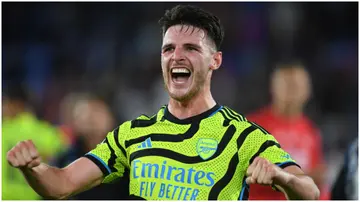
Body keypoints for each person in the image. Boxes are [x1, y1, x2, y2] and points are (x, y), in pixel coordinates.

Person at [6, 5, 320, 200]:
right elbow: (61, 184)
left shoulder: (244, 136)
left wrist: (281, 177)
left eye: (191, 49)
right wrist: (33, 169)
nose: (176, 56)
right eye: (168, 49)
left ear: (215, 61)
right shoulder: (132, 134)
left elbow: (310, 192)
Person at [247, 62, 329, 200]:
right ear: (273, 88)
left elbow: (318, 183)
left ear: (308, 90)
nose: (293, 91)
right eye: (287, 85)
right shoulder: (253, 126)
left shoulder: (310, 131)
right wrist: (302, 178)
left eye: (297, 85)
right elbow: (243, 174)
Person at [51, 95, 130, 199]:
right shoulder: (65, 158)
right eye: (86, 116)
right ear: (75, 122)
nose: (92, 121)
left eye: (98, 114)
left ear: (111, 118)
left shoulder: (128, 157)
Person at [2, 84, 65, 199]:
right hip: (37, 197)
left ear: (16, 104)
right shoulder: (50, 133)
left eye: (4, 103)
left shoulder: (3, 131)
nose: (2, 108)